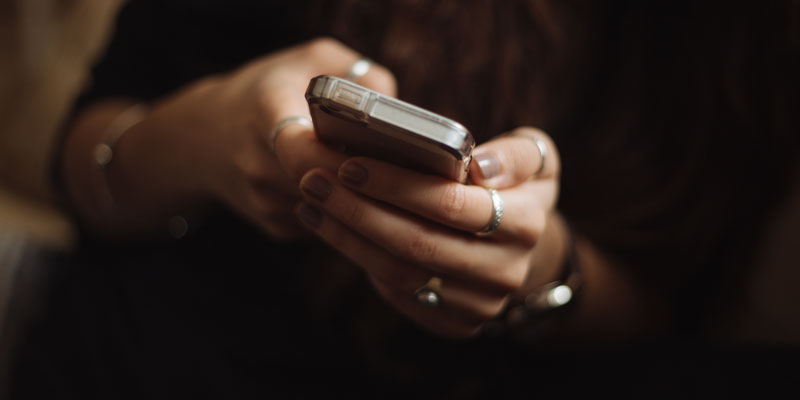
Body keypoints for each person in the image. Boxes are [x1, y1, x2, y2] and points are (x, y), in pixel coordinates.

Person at [11, 0, 800, 397]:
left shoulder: (736, 34)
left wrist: (539, 270)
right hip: (142, 362)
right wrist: (215, 132)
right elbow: (85, 170)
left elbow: (689, 325)